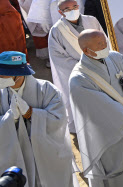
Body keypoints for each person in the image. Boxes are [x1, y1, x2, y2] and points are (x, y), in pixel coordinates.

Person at [69, 29, 123, 187]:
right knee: (116, 165)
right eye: (100, 45)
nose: (105, 46)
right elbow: (97, 108)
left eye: (105, 42)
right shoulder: (78, 79)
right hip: (108, 131)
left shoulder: (115, 58)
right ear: (86, 50)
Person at [0, 51, 75, 187]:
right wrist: (10, 119)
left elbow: (58, 120)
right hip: (16, 155)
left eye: (4, 73)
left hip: (47, 155)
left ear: (19, 73)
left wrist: (31, 113)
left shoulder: (47, 89)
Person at [48, 0, 104, 132]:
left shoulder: (91, 20)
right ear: (60, 12)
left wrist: (102, 58)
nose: (72, 10)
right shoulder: (56, 31)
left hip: (100, 64)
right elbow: (58, 58)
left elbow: (103, 39)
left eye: (74, 7)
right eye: (67, 9)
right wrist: (84, 65)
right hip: (77, 70)